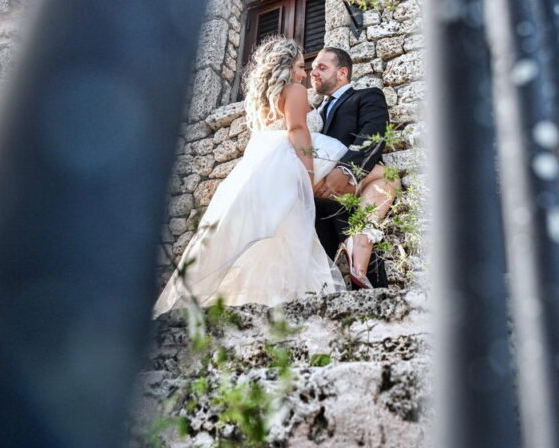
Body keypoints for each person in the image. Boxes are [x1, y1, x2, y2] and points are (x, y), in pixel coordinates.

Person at [153, 37, 348, 315]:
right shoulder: (294, 90)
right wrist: (308, 170)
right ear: (287, 66)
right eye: (300, 66)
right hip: (288, 161)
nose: (304, 74)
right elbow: (296, 130)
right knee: (292, 231)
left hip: (259, 166)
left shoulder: (260, 99)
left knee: (269, 235)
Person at [310, 47, 400, 289]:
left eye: (321, 67)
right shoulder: (310, 113)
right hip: (313, 203)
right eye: (311, 68)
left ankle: (377, 316)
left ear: (342, 73)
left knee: (367, 271)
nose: (313, 73)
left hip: (354, 193)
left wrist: (346, 170)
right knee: (315, 274)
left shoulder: (366, 96)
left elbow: (374, 133)